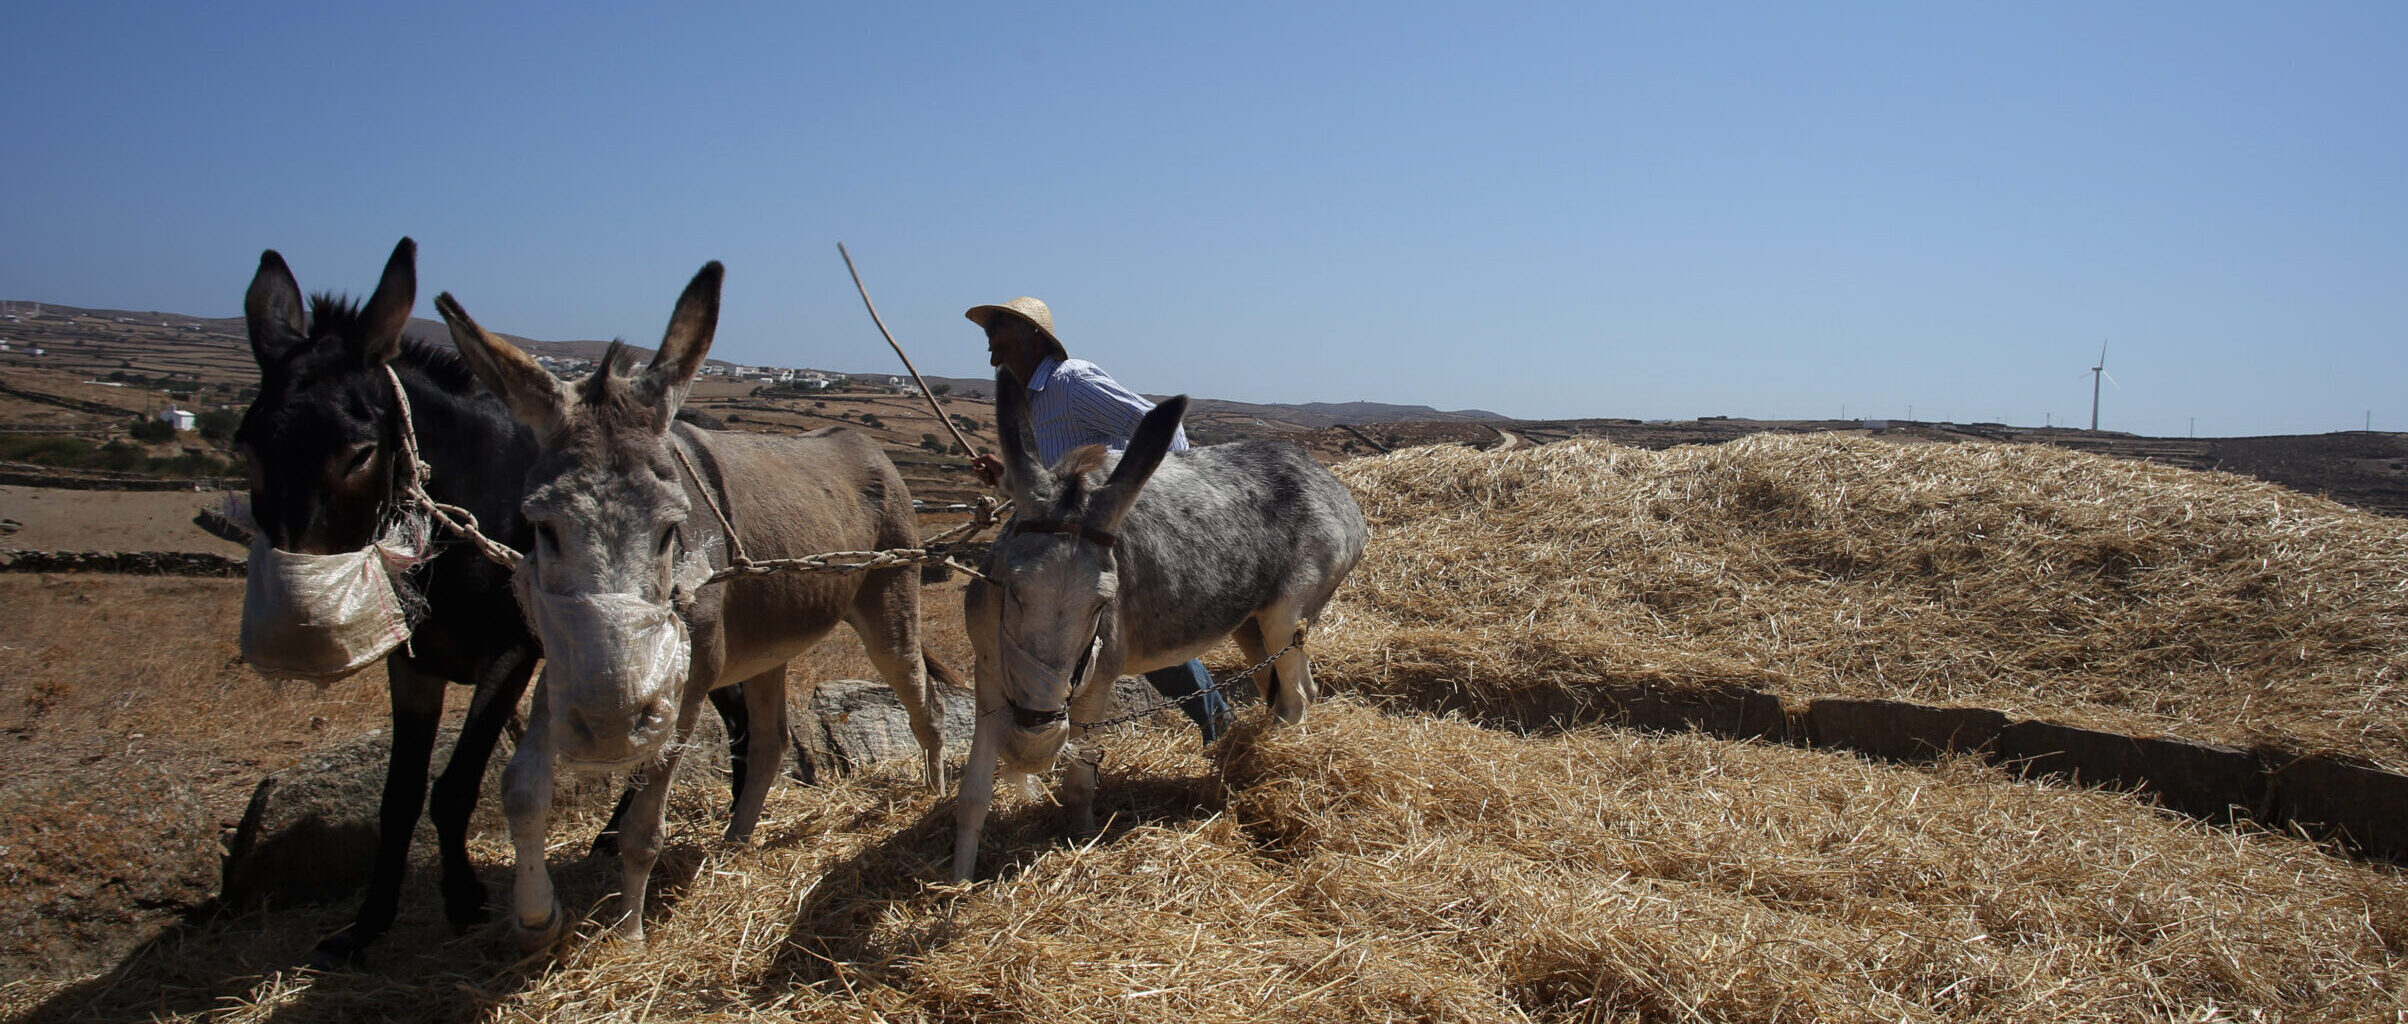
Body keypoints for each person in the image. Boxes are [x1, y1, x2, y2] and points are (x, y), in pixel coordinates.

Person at [965, 295, 1232, 743]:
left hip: (1107, 541)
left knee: (1144, 648)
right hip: (1062, 554)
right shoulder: (1030, 402)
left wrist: (1141, 505)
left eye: (999, 335)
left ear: (1034, 336)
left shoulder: (1070, 384)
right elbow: (1055, 492)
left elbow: (1163, 430)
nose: (992, 350)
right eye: (989, 339)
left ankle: (1218, 726)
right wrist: (1007, 478)